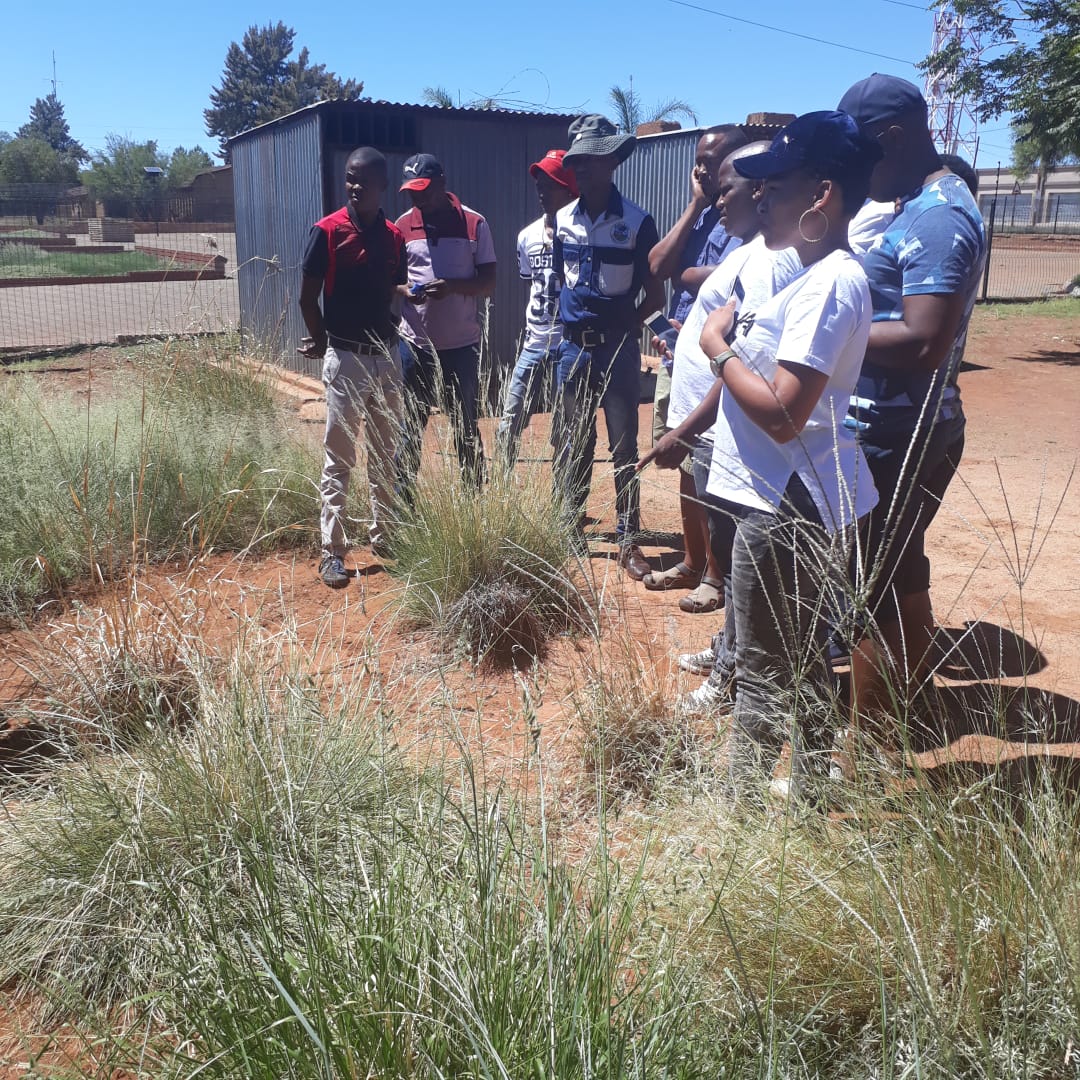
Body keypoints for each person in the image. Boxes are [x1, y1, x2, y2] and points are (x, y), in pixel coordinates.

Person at [642, 111, 882, 805]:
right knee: (799, 657)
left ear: (822, 196)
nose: (763, 200)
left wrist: (717, 345)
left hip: (788, 501)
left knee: (763, 664)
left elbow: (782, 413)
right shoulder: (806, 275)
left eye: (776, 186)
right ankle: (809, 788)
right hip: (784, 496)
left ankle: (740, 808)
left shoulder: (831, 282)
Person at [836, 75, 987, 726]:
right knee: (899, 572)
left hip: (901, 431)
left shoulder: (940, 214)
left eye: (857, 152)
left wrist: (825, 332)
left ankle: (867, 749)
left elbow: (925, 339)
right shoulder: (919, 202)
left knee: (873, 588)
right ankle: (907, 699)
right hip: (894, 424)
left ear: (892, 137)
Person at [640, 127, 751, 602]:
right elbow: (659, 264)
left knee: (711, 469)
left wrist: (685, 272)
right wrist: (694, 205)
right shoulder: (708, 215)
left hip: (717, 362)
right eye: (699, 161)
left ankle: (716, 576)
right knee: (686, 465)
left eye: (714, 161)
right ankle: (691, 561)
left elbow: (722, 279)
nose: (704, 171)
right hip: (679, 360)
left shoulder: (746, 223)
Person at [553, 114, 665, 579]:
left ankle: (628, 541)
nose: (579, 169)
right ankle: (567, 529)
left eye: (588, 160)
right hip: (573, 351)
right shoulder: (560, 221)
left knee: (624, 447)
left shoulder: (638, 223)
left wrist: (623, 328)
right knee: (572, 442)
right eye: (575, 161)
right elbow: (560, 283)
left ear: (611, 162)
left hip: (617, 352)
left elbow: (655, 296)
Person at [299, 146, 408, 589]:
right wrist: (325, 342)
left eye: (364, 179)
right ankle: (333, 551)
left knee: (385, 455)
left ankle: (385, 538)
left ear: (383, 185)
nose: (355, 185)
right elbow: (307, 297)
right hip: (345, 358)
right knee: (340, 456)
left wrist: (402, 304)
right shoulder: (326, 232)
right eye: (349, 177)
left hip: (386, 357)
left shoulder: (393, 237)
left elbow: (390, 287)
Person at [395, 154, 497, 491]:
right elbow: (392, 279)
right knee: (409, 427)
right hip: (414, 347)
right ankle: (401, 508)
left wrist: (452, 287)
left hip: (460, 349)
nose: (417, 197)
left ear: (441, 183)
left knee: (465, 427)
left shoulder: (474, 223)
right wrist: (405, 291)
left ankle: (471, 500)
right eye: (411, 191)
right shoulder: (402, 225)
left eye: (423, 189)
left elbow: (488, 283)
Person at [495, 150, 579, 467]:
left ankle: (564, 500)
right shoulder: (526, 236)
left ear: (570, 190)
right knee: (510, 419)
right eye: (539, 186)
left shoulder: (581, 234)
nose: (543, 193)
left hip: (567, 343)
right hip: (534, 341)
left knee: (565, 430)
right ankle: (501, 494)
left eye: (552, 185)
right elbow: (528, 281)